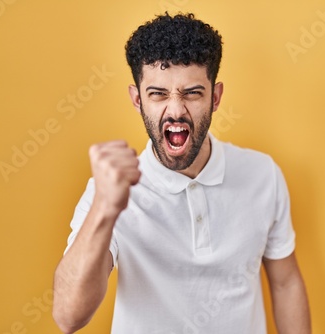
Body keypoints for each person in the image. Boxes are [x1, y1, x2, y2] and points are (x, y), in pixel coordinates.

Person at [52, 12, 311, 334]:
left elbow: (286, 283)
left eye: (192, 93)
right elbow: (67, 316)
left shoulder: (263, 175)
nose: (175, 110)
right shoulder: (107, 192)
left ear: (215, 97)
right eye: (158, 94)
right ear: (137, 99)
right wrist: (105, 208)